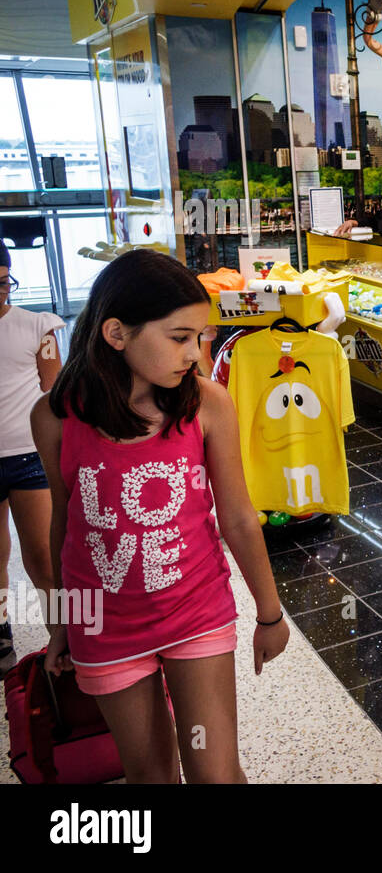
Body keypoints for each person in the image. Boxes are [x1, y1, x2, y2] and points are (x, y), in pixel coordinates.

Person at [31, 250, 289, 783]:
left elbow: (239, 518)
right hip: (103, 627)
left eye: (201, 337)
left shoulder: (208, 405)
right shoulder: (56, 416)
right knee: (150, 776)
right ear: (116, 333)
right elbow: (65, 524)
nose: (195, 354)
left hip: (196, 611)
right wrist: (60, 623)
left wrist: (270, 613)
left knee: (215, 773)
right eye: (179, 337)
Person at [0, 246, 62, 672]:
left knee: (43, 554)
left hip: (29, 455)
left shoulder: (37, 327)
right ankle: (1, 631)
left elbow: (53, 392)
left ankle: (63, 634)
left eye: (3, 283)